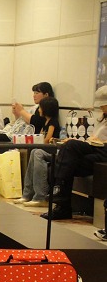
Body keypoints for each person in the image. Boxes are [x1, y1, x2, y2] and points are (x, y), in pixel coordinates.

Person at [42, 85, 107, 220]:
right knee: (62, 158)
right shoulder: (103, 119)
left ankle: (59, 195)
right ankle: (61, 204)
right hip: (95, 147)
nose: (102, 108)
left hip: (104, 152)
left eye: (103, 105)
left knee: (69, 152)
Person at [13, 96, 61, 207]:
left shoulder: (53, 122)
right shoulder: (45, 122)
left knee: (37, 152)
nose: (38, 110)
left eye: (40, 107)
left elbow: (47, 139)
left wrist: (38, 142)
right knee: (35, 151)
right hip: (45, 149)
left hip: (53, 150)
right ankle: (27, 194)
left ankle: (41, 196)